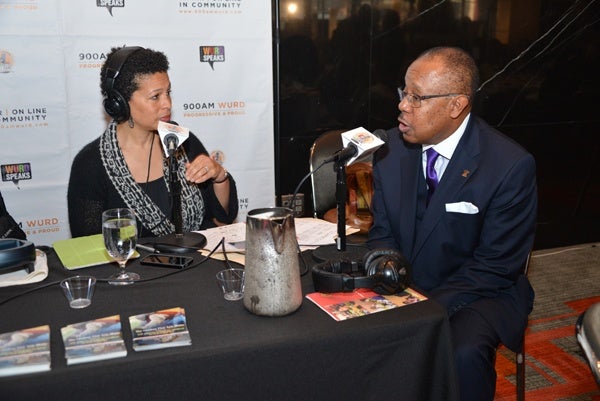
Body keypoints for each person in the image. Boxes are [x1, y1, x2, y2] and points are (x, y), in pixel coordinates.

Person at [367, 46, 536, 401]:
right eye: (404, 92)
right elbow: (382, 234)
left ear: (456, 106)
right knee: (355, 337)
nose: (402, 105)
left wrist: (425, 306)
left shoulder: (508, 166)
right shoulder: (389, 151)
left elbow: (495, 267)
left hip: (478, 293)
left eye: (417, 97)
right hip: (407, 282)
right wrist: (387, 274)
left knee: (461, 353)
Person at [68, 46, 238, 238]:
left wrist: (219, 176)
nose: (167, 104)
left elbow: (221, 220)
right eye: (155, 96)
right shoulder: (90, 164)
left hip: (198, 262)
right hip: (130, 268)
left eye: (168, 93)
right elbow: (87, 247)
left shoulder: (182, 142)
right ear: (121, 102)